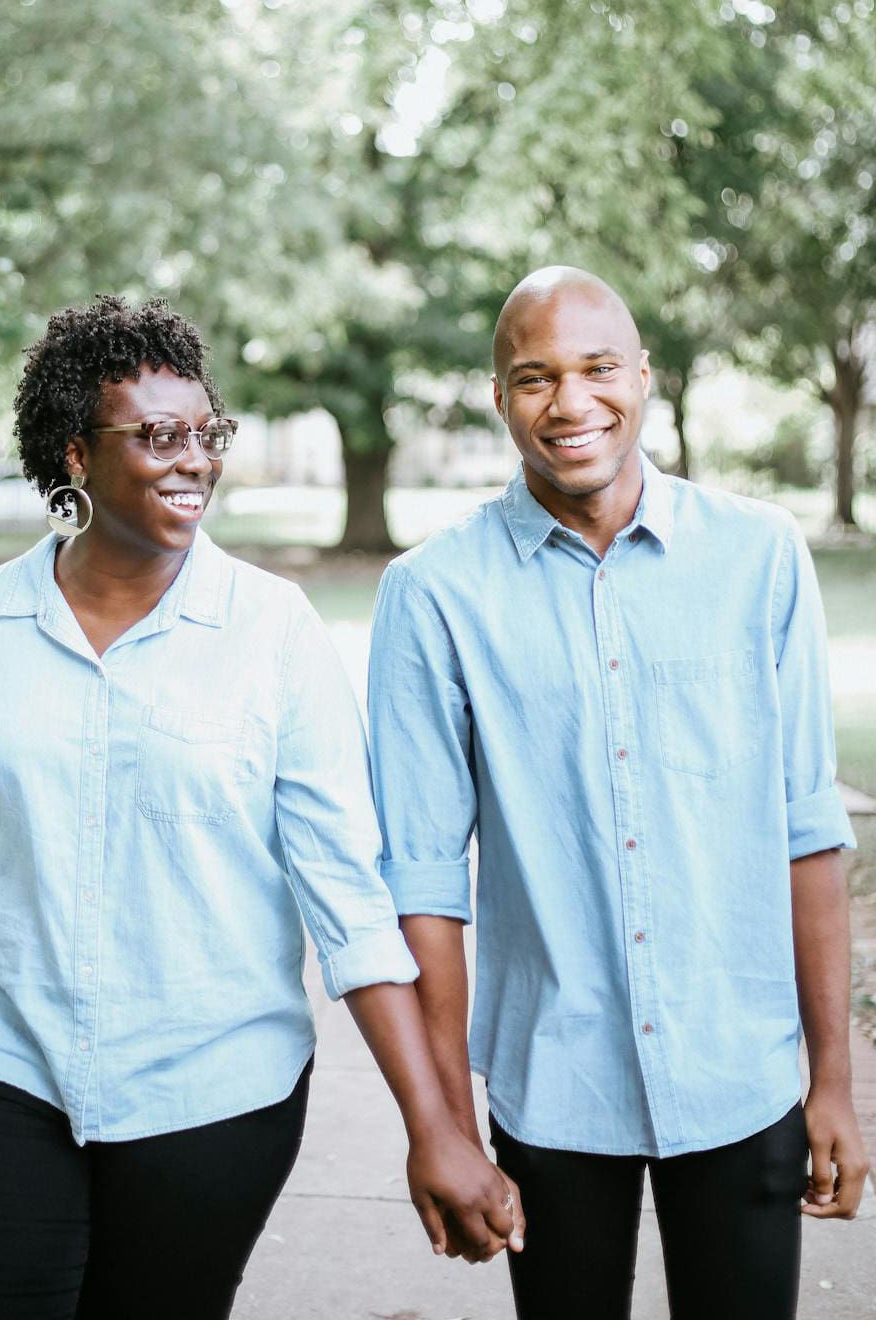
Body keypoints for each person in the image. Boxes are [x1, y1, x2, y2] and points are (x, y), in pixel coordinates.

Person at [0, 296, 518, 1320]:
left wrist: (434, 1123)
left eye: (205, 433)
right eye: (157, 435)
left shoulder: (271, 630)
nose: (194, 459)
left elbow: (347, 901)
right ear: (75, 457)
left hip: (212, 1091)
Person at [367, 266, 869, 1318]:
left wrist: (832, 1078)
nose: (569, 403)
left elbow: (805, 831)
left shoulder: (760, 558)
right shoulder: (431, 595)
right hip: (551, 1085)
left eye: (597, 369)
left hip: (741, 1074)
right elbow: (422, 879)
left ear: (642, 376)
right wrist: (447, 1123)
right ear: (498, 395)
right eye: (532, 377)